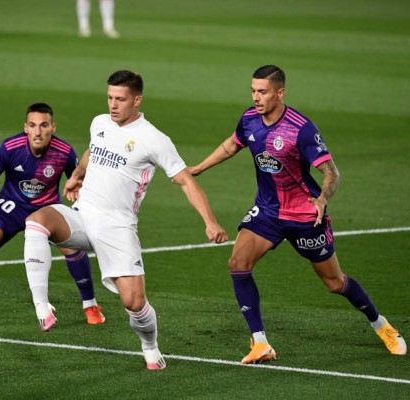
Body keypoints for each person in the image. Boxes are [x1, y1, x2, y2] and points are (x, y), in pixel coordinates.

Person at [189, 65, 407, 364]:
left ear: (280, 93)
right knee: (238, 263)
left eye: (262, 91)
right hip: (267, 211)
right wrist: (199, 168)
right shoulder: (249, 119)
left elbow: (331, 172)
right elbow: (231, 145)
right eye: (253, 90)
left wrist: (322, 199)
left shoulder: (301, 128)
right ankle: (261, 343)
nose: (256, 97)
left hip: (304, 215)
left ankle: (382, 325)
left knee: (335, 283)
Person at [23, 70, 228, 369]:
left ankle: (150, 346)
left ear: (137, 100)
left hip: (117, 227)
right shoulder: (100, 122)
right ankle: (42, 305)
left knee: (134, 303)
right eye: (109, 98)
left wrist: (210, 221)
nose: (113, 105)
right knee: (37, 221)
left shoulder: (154, 139)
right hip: (82, 214)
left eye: (120, 99)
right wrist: (77, 176)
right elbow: (94, 150)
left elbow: (186, 181)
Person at [0, 102, 105, 326]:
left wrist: (82, 204)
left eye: (44, 125)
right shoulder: (9, 148)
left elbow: (80, 181)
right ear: (25, 127)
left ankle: (90, 305)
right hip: (11, 207)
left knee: (72, 247)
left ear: (53, 127)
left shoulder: (64, 152)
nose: (38, 131)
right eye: (33, 125)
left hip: (46, 210)